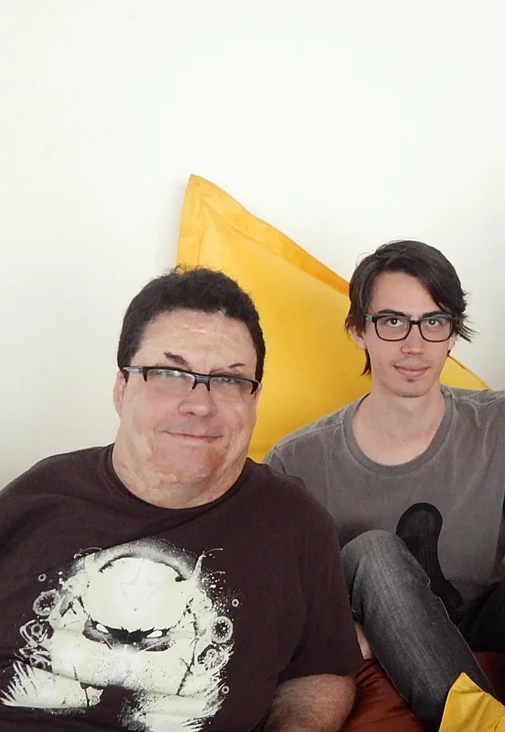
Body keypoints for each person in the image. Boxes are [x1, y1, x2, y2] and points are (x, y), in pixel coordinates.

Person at [264, 240, 505, 732]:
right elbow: (274, 600)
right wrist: (351, 634)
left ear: (452, 334)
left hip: (489, 618)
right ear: (358, 331)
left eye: (433, 322)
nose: (414, 345)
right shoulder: (297, 459)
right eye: (393, 321)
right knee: (372, 551)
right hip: (388, 632)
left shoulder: (503, 419)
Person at [0, 267, 362, 731]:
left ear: (254, 402)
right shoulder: (38, 498)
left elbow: (319, 668)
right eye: (169, 373)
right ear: (121, 388)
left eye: (230, 380)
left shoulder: (294, 523)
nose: (200, 404)